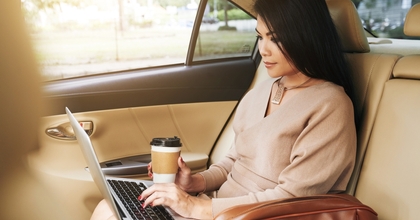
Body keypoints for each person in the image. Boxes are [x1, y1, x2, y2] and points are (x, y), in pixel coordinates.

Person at [91, 0, 356, 219]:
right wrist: (194, 183)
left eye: (274, 39)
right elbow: (233, 162)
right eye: (259, 37)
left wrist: (194, 206)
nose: (263, 49)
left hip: (256, 215)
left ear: (304, 37)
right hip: (218, 207)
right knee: (109, 208)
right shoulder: (263, 90)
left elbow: (293, 198)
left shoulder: (330, 105)